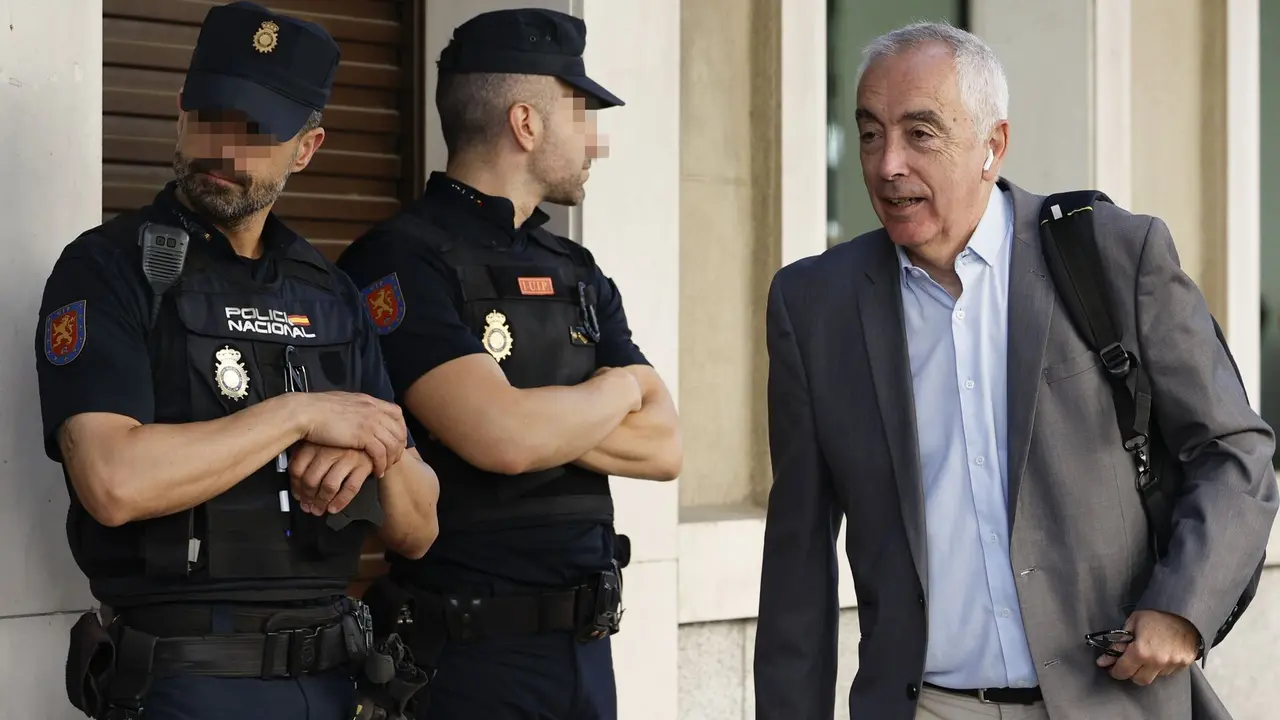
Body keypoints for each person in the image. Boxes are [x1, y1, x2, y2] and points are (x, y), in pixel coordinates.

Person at [753, 22, 1277, 720]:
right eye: (871, 134)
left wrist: (1183, 608)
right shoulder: (815, 305)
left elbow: (1234, 451)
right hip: (927, 706)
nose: (887, 164)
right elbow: (797, 556)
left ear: (992, 146)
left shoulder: (1112, 255)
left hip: (1109, 700)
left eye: (920, 133)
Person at [34, 3, 440, 719]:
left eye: (254, 132)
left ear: (306, 148)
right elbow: (113, 482)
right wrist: (298, 415)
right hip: (190, 681)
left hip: (334, 681)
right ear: (180, 113)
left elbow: (417, 529)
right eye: (210, 116)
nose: (223, 147)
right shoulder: (107, 269)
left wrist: (377, 451)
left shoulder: (330, 293)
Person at [335, 8, 682, 720]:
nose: (597, 141)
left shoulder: (575, 268)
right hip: (469, 659)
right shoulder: (400, 260)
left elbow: (665, 446)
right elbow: (503, 440)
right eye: (581, 115)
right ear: (526, 123)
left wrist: (525, 414)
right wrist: (616, 388)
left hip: (587, 652)